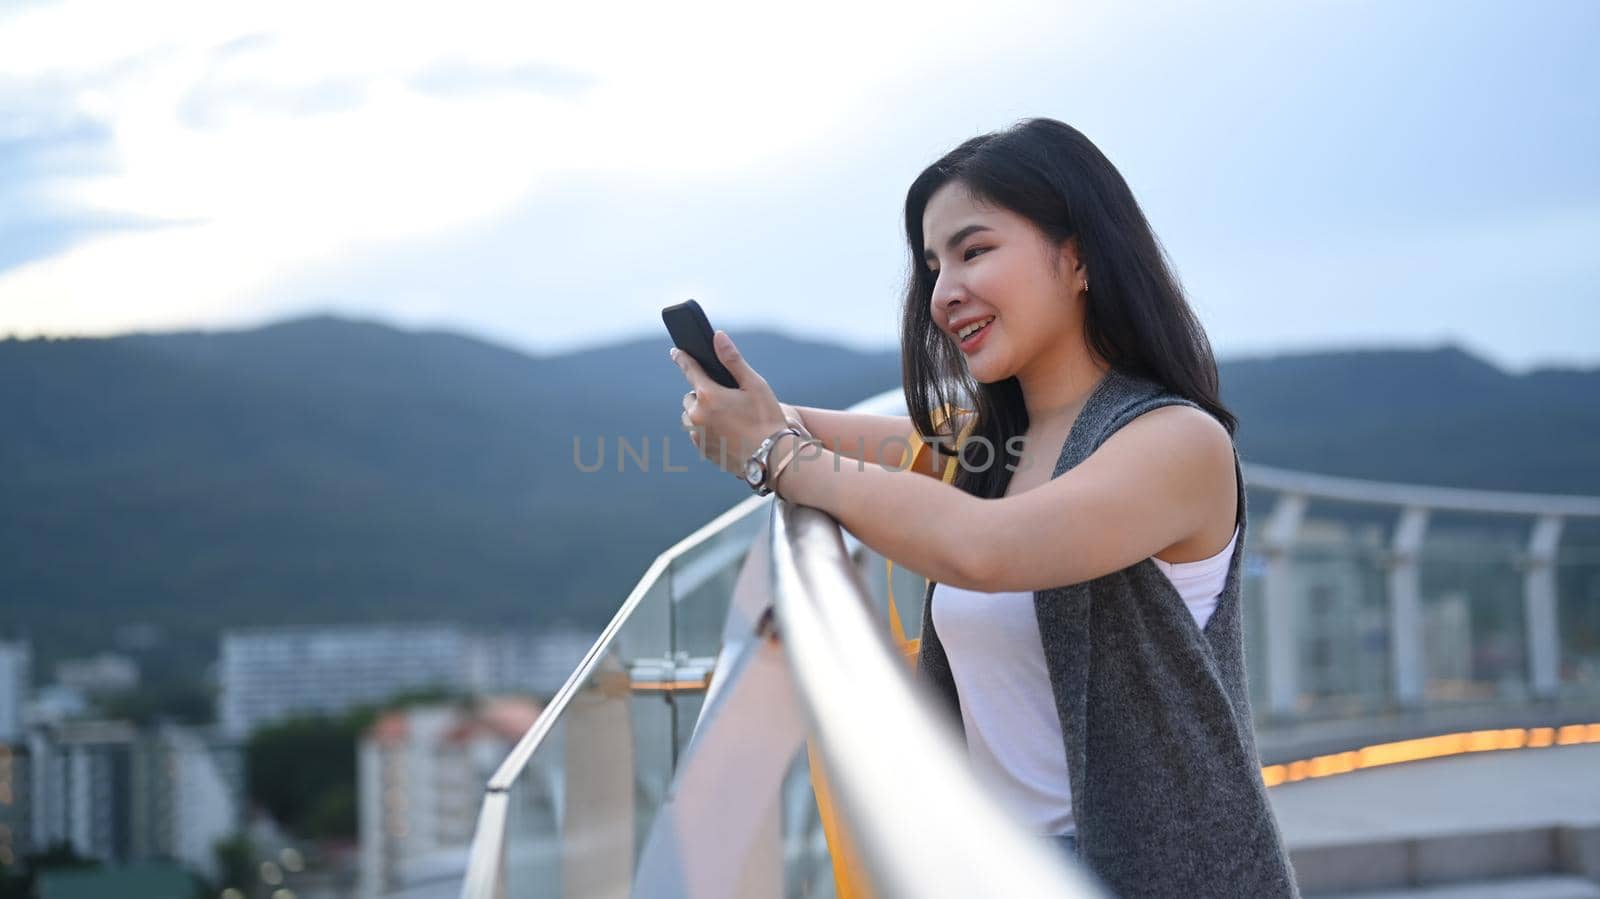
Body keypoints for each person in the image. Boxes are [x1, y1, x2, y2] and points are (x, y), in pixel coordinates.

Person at [670, 117, 1299, 898]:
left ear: (1078, 257)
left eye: (974, 251)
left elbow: (983, 549)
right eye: (934, 266)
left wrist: (776, 455)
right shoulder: (992, 443)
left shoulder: (1176, 442)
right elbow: (817, 440)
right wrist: (747, 417)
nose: (943, 293)